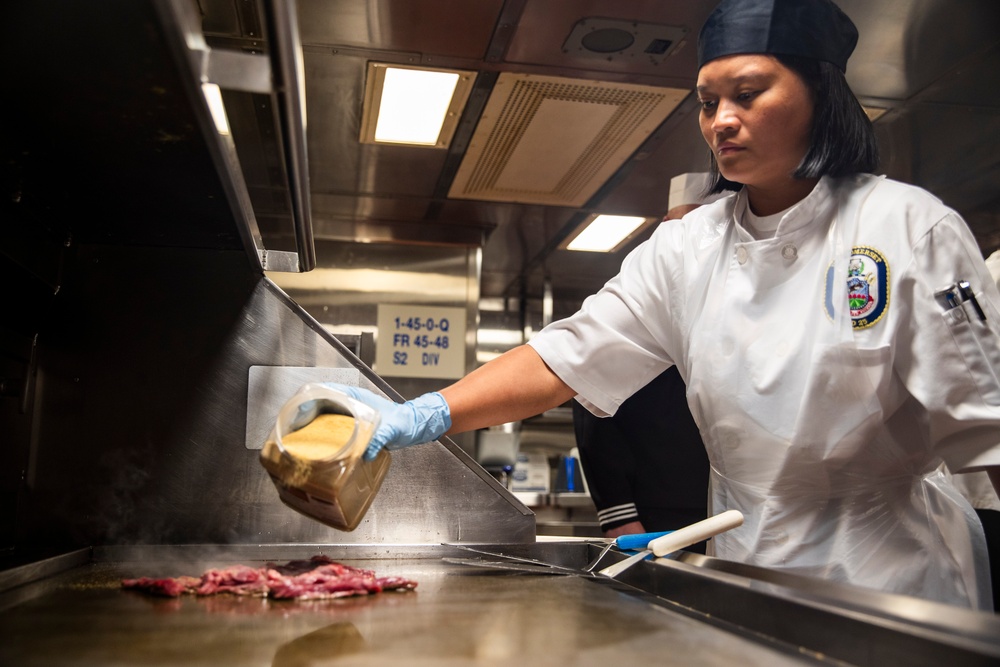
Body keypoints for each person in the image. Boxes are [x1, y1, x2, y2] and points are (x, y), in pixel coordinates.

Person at [318, 0, 1000, 610]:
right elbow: (567, 356)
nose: (722, 120)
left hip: (894, 583)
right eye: (707, 102)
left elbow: (989, 427)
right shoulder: (686, 248)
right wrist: (424, 413)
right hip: (749, 574)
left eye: (748, 93)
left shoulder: (908, 228)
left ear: (820, 92)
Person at [572, 173, 720, 542]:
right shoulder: (640, 300)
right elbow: (591, 406)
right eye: (687, 224)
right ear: (668, 227)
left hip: (728, 507)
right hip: (654, 506)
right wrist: (617, 511)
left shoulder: (730, 306)